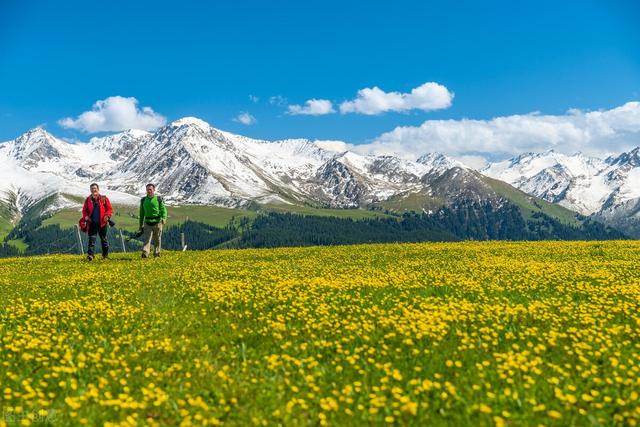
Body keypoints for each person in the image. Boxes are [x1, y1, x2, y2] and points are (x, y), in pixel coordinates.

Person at [82, 183, 113, 261]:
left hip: (102, 223)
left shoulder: (104, 198)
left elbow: (109, 209)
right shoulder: (88, 199)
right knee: (91, 240)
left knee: (104, 240)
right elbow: (84, 210)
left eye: (95, 188)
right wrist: (85, 216)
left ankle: (105, 256)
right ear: (90, 190)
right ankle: (90, 255)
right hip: (92, 223)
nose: (93, 190)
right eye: (92, 189)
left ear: (98, 189)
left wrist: (107, 216)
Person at [139, 183, 167, 258]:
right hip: (147, 222)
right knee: (147, 239)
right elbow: (141, 213)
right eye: (147, 189)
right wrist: (140, 224)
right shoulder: (143, 200)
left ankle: (157, 253)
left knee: (157, 239)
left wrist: (164, 218)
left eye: (150, 189)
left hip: (157, 222)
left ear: (154, 190)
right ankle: (145, 253)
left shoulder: (158, 199)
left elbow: (163, 210)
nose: (149, 191)